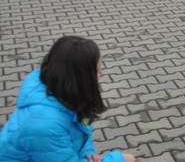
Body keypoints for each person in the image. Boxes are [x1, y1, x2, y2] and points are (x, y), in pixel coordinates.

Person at [0, 36, 138, 162]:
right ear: (79, 75)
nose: (101, 74)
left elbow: (81, 126)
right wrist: (117, 159)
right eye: (97, 70)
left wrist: (87, 150)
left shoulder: (59, 85)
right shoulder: (45, 125)